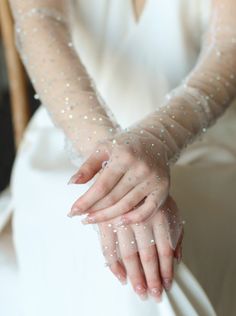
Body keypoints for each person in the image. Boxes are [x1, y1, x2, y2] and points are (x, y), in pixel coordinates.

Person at [4, 0, 236, 315]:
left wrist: (156, 139)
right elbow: (40, 22)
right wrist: (110, 167)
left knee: (156, 269)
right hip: (72, 143)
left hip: (203, 147)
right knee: (129, 261)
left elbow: (228, 43)